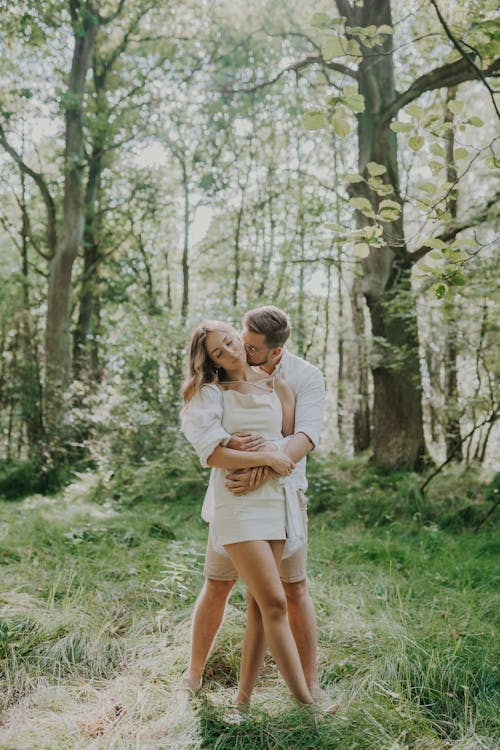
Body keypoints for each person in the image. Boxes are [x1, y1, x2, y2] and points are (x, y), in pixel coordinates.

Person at [182, 306, 325, 706]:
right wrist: (252, 457)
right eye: (235, 339)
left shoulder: (300, 379)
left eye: (248, 345)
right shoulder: (214, 388)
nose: (240, 347)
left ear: (274, 352)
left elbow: (302, 434)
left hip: (282, 495)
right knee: (219, 584)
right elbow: (215, 447)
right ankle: (193, 675)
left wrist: (269, 462)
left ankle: (301, 688)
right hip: (235, 497)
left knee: (287, 592)